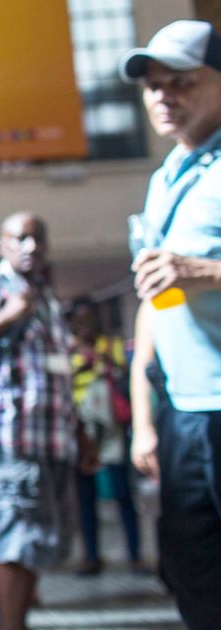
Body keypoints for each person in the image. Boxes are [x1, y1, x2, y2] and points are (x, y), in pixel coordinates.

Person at [0, 212, 96, 630]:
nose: (30, 247)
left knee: (40, 542)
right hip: (13, 438)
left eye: (37, 238)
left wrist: (81, 434)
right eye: (20, 238)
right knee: (16, 540)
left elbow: (58, 371)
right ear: (3, 245)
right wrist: (6, 316)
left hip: (54, 439)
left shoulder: (45, 294)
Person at [120, 20, 221, 628]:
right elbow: (154, 296)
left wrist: (201, 269)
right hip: (181, 408)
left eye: (179, 82)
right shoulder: (166, 179)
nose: (163, 96)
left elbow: (182, 273)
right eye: (153, 86)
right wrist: (143, 418)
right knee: (191, 566)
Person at [65, 297, 142, 576]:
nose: (86, 325)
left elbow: (128, 373)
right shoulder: (67, 349)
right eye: (80, 319)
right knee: (85, 497)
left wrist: (103, 359)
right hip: (81, 426)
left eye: (90, 318)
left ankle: (135, 556)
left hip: (110, 424)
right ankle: (91, 557)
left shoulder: (110, 346)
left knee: (123, 492)